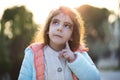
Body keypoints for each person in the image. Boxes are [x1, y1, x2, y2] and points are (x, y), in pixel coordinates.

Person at [18, 6, 101, 80]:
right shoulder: (32, 53)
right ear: (47, 29)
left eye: (67, 25)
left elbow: (95, 78)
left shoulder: (79, 53)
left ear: (72, 35)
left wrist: (73, 59)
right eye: (55, 22)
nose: (60, 28)